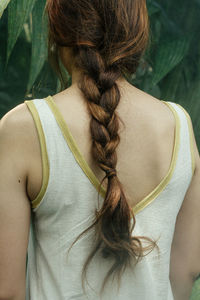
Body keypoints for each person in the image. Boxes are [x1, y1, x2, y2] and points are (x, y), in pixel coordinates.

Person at [0, 0, 199, 299]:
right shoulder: (179, 126)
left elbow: (8, 290)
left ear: (58, 31)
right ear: (136, 32)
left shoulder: (24, 128)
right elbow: (185, 270)